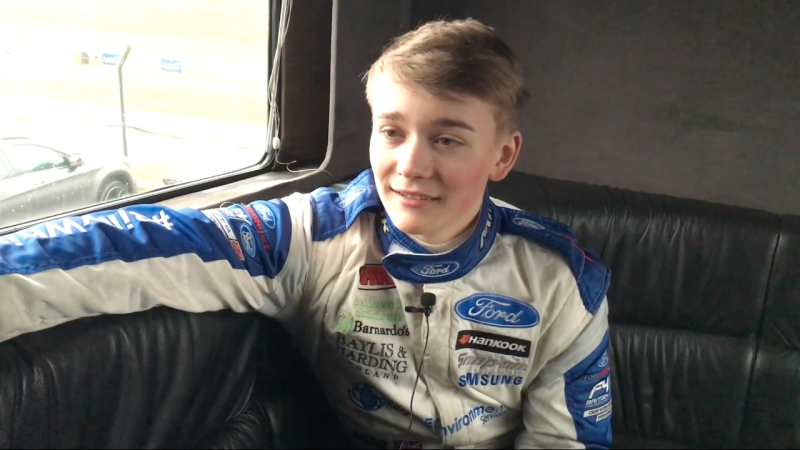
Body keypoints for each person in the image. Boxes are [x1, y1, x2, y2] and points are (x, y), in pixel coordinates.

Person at [0, 18, 612, 449]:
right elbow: (132, 245)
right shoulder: (310, 235)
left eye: (446, 139)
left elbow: (565, 443)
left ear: (502, 156)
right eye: (391, 131)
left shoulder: (563, 282)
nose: (410, 165)